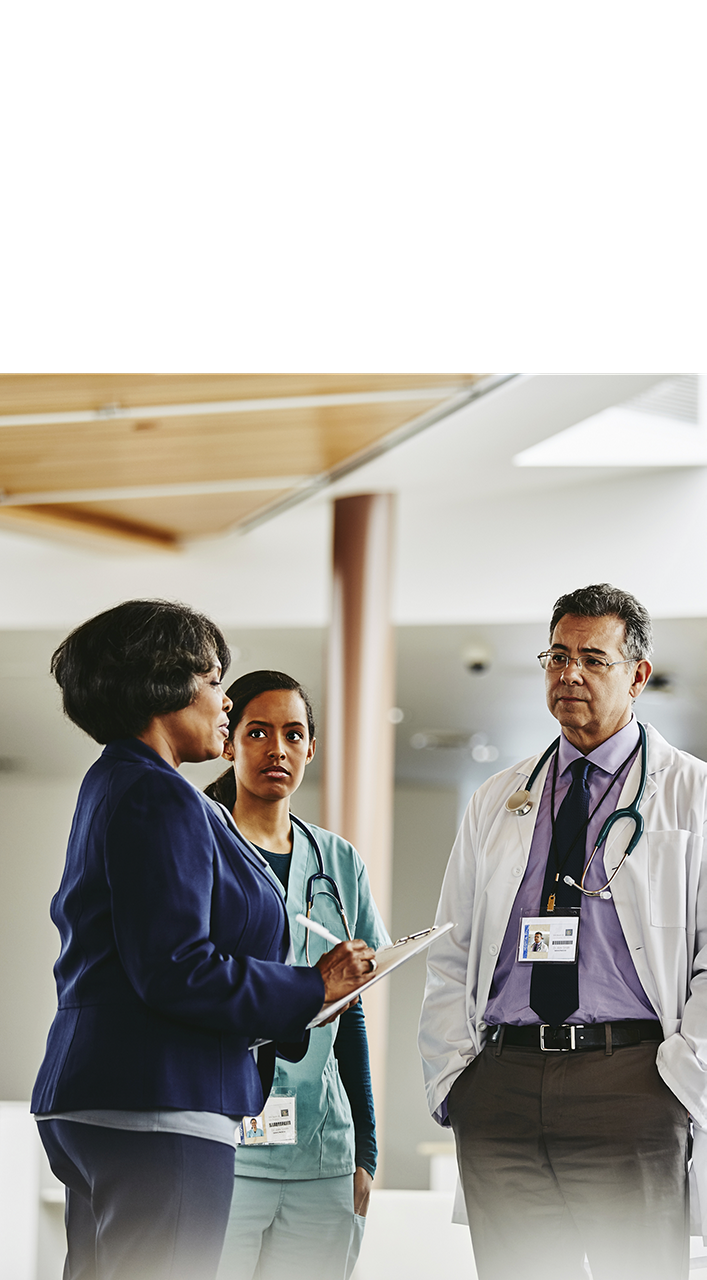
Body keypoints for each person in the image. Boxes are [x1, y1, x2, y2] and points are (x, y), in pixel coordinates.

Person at [31, 601, 375, 1280]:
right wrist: (313, 985)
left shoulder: (119, 782)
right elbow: (176, 968)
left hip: (109, 1096)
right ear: (165, 686)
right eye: (217, 681)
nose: (224, 702)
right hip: (157, 1102)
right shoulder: (158, 795)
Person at [419, 583, 707, 1280]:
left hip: (631, 1082)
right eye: (554, 657)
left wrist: (678, 1079)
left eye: (591, 659)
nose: (567, 674)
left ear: (637, 675)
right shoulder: (499, 797)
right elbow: (450, 947)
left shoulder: (690, 795)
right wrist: (459, 1079)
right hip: (504, 1085)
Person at [205, 670, 389, 1280]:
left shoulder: (338, 862)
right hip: (224, 1147)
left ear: (311, 749)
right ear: (229, 742)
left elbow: (351, 1014)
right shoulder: (199, 843)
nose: (276, 749)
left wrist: (365, 1147)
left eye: (293, 734)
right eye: (258, 732)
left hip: (322, 1156)